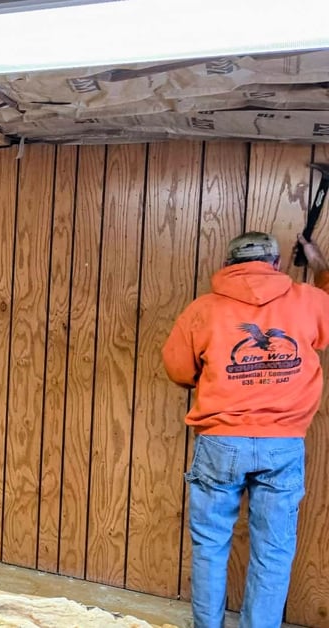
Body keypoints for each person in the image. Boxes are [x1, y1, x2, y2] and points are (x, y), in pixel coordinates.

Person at [163, 231, 329, 628]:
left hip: (220, 442)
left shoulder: (202, 309)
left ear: (228, 266)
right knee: (273, 551)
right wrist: (319, 264)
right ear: (275, 264)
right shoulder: (309, 300)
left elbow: (178, 369)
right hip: (283, 443)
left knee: (210, 545)